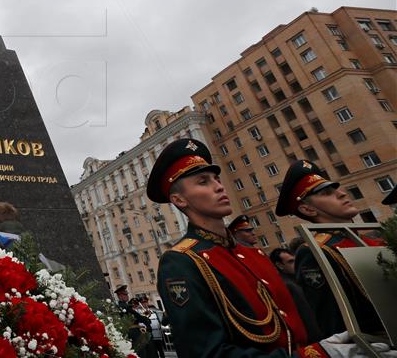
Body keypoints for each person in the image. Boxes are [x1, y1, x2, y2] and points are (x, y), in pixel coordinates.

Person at [148, 138, 328, 357]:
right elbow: (208, 352)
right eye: (203, 181)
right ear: (179, 200)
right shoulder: (181, 261)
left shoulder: (255, 254)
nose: (219, 186)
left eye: (216, 178)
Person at [275, 160, 385, 339]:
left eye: (337, 189)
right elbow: (335, 325)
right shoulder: (315, 252)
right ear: (308, 209)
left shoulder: (371, 241)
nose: (342, 193)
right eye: (327, 193)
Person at [270, 248, 322, 343]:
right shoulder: (288, 285)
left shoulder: (296, 279)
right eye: (291, 262)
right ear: (279, 265)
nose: (296, 264)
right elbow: (307, 315)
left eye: (296, 260)